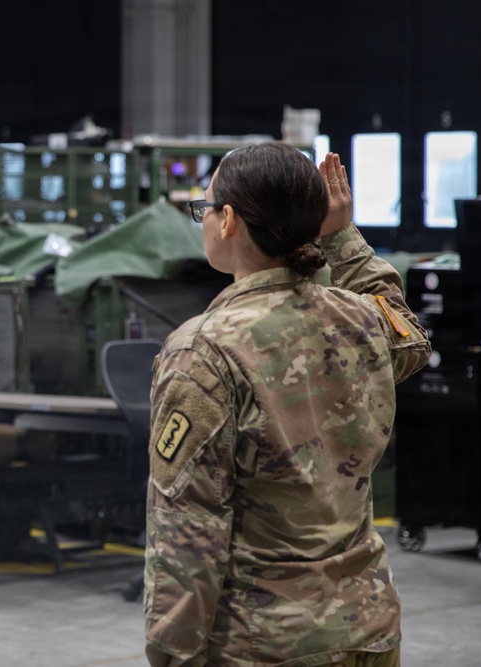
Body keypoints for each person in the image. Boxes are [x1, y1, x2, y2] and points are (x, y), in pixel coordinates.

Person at [143, 146, 431, 667]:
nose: (202, 220)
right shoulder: (361, 321)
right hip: (367, 628)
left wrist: (171, 654)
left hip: (265, 643)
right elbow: (408, 336)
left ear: (227, 220)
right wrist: (342, 237)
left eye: (202, 208)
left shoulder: (203, 350)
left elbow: (189, 530)